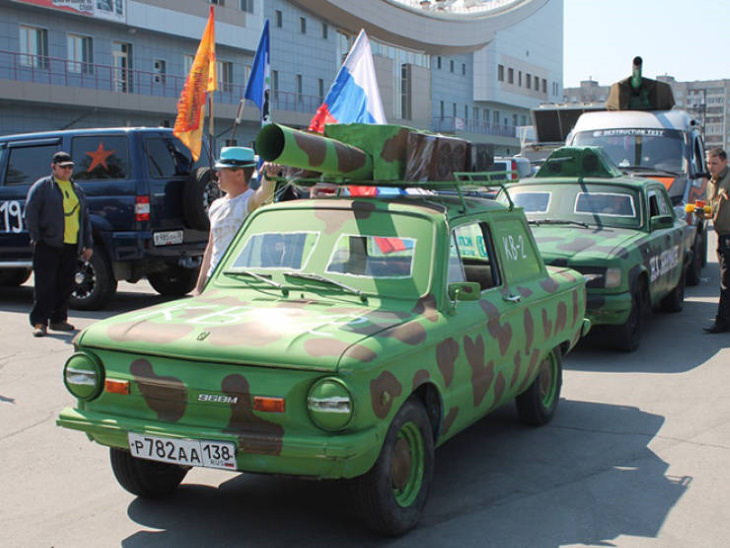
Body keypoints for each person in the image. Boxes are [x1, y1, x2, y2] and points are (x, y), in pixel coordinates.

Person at [24, 151, 93, 337]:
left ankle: (59, 320)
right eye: (63, 167)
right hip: (48, 244)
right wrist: (37, 237)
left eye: (70, 167)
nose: (67, 170)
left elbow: (85, 219)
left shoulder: (77, 189)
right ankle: (40, 322)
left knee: (65, 284)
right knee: (45, 285)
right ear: (53, 167)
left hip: (70, 245)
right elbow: (31, 212)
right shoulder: (43, 187)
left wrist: (87, 244)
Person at [193, 146, 278, 295]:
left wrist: (269, 176)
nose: (217, 174)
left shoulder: (249, 202)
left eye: (222, 170)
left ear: (238, 174)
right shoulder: (215, 206)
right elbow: (211, 248)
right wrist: (199, 288)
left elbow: (264, 193)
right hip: (214, 282)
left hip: (242, 284)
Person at [704, 147, 730, 333]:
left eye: (715, 163)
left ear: (725, 162)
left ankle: (723, 321)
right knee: (726, 280)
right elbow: (712, 208)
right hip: (722, 236)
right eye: (709, 163)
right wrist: (702, 213)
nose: (711, 167)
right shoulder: (712, 183)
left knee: (726, 280)